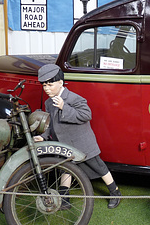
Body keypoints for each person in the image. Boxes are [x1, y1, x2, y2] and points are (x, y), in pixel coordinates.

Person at [33, 64, 121, 209]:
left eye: (50, 84)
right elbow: (51, 123)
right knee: (65, 168)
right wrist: (44, 136)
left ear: (60, 82)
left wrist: (64, 107)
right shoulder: (49, 102)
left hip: (82, 143)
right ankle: (64, 199)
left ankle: (115, 192)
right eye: (44, 85)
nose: (47, 89)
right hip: (64, 144)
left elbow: (86, 115)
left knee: (98, 166)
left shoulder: (73, 98)